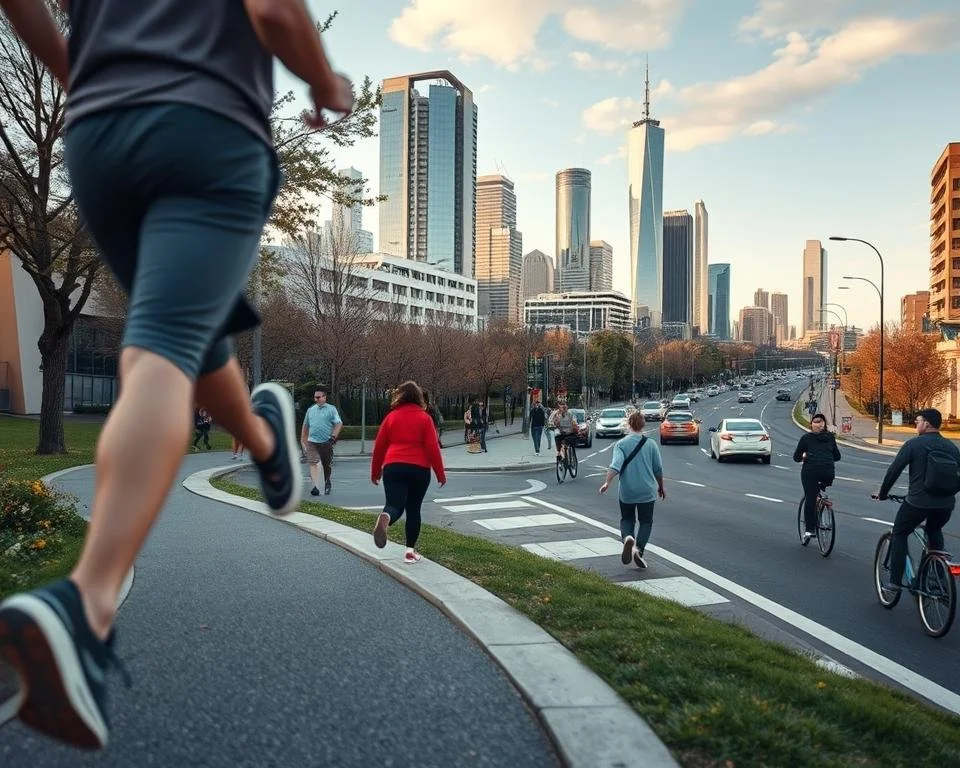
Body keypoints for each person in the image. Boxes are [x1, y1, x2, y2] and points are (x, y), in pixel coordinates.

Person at [0, 0, 353, 751]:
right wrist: (326, 85)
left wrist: (79, 72)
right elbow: (273, 10)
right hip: (207, 124)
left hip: (98, 138)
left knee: (182, 329)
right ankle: (84, 605)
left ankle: (265, 443)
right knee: (162, 339)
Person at [875, 408, 960, 592]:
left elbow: (894, 471)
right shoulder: (952, 447)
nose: (916, 424)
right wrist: (949, 493)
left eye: (918, 421)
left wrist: (883, 493)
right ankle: (937, 578)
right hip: (945, 505)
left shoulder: (914, 444)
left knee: (899, 533)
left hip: (918, 502)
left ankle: (895, 582)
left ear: (927, 423)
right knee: (934, 530)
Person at [370, 381, 446, 564]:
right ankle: (410, 552)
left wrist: (375, 472)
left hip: (393, 466)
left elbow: (379, 446)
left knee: (394, 505)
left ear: (399, 396)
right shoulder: (424, 418)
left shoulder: (391, 417)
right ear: (419, 397)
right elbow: (432, 447)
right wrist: (440, 473)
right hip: (419, 469)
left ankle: (385, 518)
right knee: (413, 509)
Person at [599, 411, 665, 569]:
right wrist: (661, 487)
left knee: (627, 519)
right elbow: (658, 469)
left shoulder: (620, 445)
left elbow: (615, 466)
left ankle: (628, 538)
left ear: (628, 424)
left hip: (627, 491)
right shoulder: (651, 444)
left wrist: (607, 482)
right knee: (646, 522)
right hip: (647, 491)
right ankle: (638, 550)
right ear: (643, 425)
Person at [792, 413, 841, 543]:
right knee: (819, 488)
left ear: (811, 425)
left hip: (811, 472)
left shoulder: (806, 438)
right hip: (828, 473)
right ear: (825, 425)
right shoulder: (830, 438)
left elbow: (796, 458)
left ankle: (809, 530)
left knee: (810, 498)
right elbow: (837, 456)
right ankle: (822, 502)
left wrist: (805, 456)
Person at [300, 387, 343, 496]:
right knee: (313, 463)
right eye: (315, 397)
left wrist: (333, 437)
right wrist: (303, 439)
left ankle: (327, 482)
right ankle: (316, 486)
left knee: (326, 464)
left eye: (318, 397)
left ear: (324, 397)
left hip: (326, 442)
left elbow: (338, 423)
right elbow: (305, 426)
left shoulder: (331, 409)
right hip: (312, 441)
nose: (316, 399)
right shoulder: (310, 410)